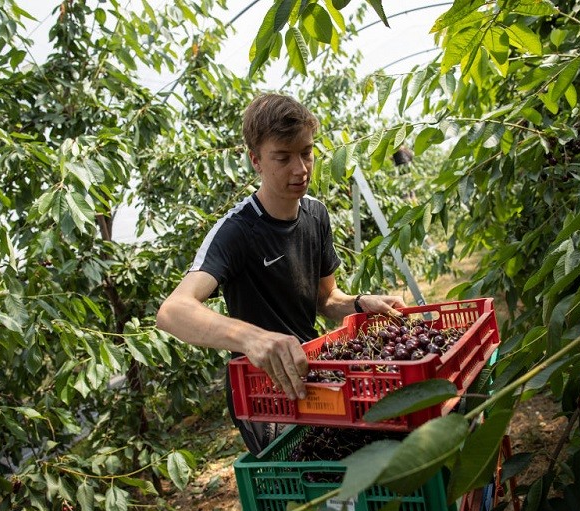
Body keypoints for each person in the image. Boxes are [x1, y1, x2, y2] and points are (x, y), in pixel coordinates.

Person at [156, 93, 405, 455]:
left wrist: (360, 303)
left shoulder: (316, 215)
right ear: (256, 160)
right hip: (265, 394)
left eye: (306, 152)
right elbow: (173, 311)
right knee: (304, 483)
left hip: (310, 372)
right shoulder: (237, 230)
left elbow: (325, 299)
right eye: (283, 157)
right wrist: (253, 339)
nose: (301, 169)